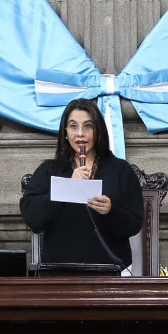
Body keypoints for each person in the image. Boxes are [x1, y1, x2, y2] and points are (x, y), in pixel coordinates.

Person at [20, 98, 143, 269]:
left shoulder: (121, 170)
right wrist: (67, 187)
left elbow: (134, 224)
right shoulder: (49, 170)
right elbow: (32, 217)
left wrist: (110, 211)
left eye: (88, 126)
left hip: (109, 270)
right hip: (60, 270)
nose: (80, 134)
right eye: (73, 126)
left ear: (98, 131)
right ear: (65, 132)